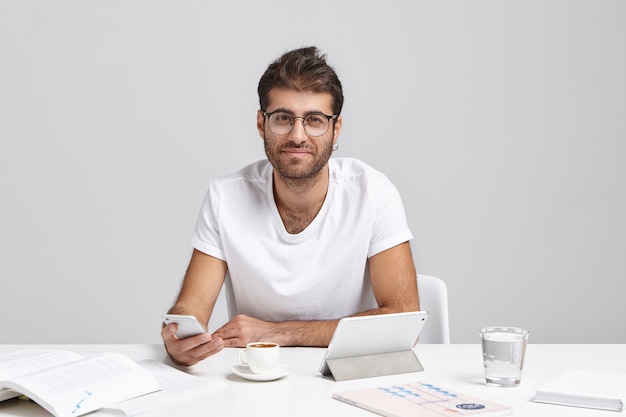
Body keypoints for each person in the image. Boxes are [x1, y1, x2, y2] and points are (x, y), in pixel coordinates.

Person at [162, 46, 419, 366]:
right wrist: (180, 334)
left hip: (345, 372)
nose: (298, 136)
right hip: (255, 378)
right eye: (283, 118)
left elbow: (403, 320)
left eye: (314, 120)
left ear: (335, 129)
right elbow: (191, 307)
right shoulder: (226, 197)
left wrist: (278, 333)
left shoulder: (372, 193)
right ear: (261, 124)